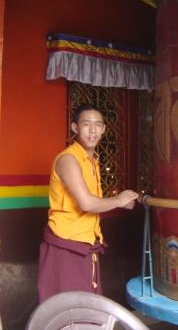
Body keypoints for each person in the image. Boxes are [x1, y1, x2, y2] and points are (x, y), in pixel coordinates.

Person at [37, 103, 138, 302]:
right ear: (75, 127)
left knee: (85, 306)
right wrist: (118, 200)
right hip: (65, 245)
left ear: (103, 129)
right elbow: (87, 203)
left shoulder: (92, 160)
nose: (93, 130)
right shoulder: (68, 159)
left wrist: (120, 202)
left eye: (98, 124)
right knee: (67, 308)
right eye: (86, 124)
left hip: (85, 243)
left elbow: (94, 202)